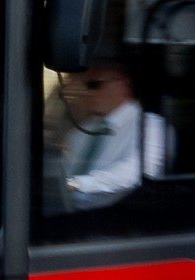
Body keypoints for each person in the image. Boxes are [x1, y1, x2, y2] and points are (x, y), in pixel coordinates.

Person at [56, 59, 173, 207]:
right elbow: (64, 170)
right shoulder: (82, 131)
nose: (87, 93)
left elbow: (136, 173)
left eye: (94, 85)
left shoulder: (151, 126)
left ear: (123, 85)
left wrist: (77, 184)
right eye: (84, 86)